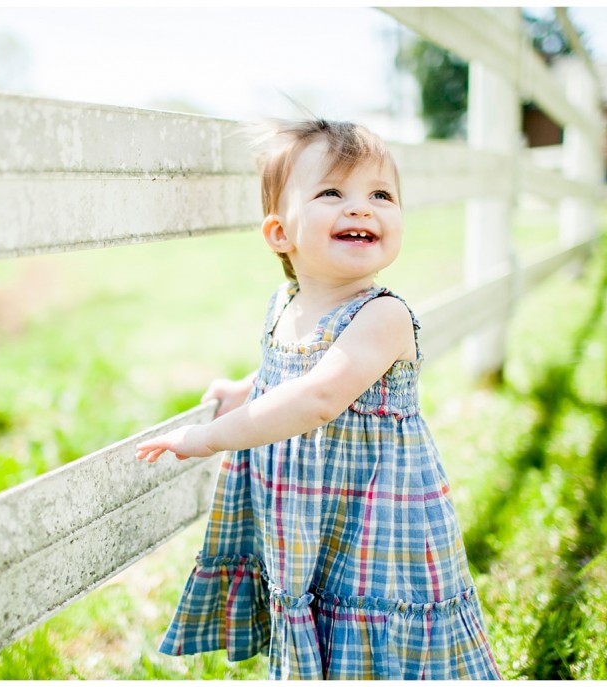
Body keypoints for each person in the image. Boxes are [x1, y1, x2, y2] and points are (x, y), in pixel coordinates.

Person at [135, 119, 501, 680]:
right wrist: (248, 388)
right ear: (281, 233)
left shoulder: (383, 315)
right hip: (309, 519)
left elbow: (320, 395)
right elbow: (291, 369)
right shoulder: (285, 304)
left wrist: (207, 438)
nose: (362, 209)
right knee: (326, 629)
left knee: (379, 641)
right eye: (332, 192)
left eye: (381, 195)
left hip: (376, 522)